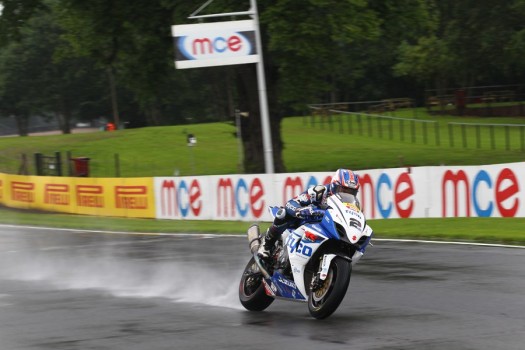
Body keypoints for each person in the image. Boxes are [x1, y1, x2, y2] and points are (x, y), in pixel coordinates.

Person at [258, 168, 360, 260]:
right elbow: (291, 203)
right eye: (344, 190)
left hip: (326, 229)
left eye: (351, 192)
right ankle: (266, 244)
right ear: (334, 185)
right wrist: (299, 210)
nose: (347, 194)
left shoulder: (353, 205)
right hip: (305, 221)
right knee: (283, 213)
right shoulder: (320, 191)